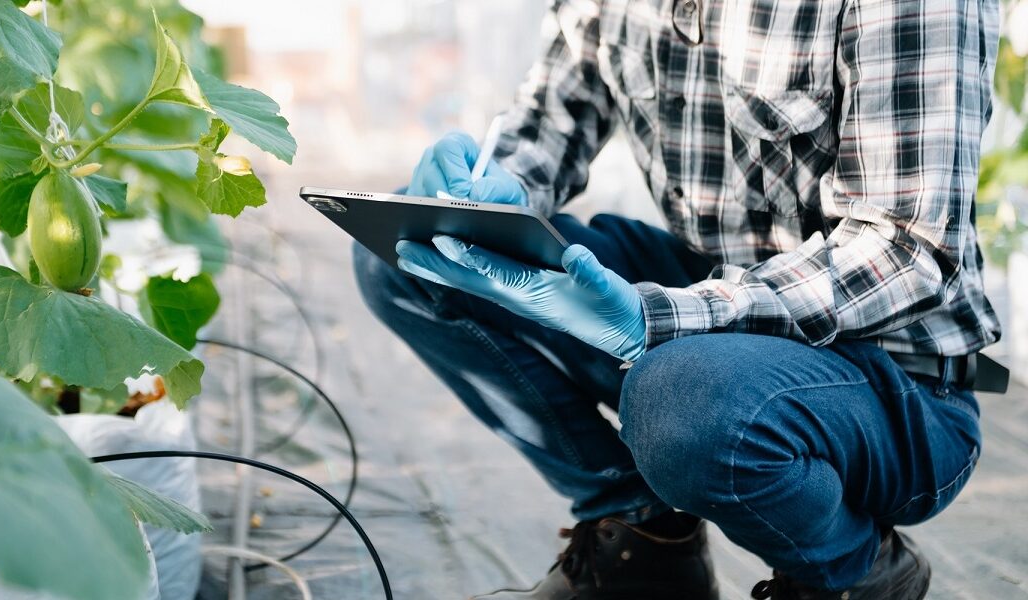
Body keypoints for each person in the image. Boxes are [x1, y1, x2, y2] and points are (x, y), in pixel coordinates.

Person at [352, 0, 1004, 598]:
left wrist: (654, 319)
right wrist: (485, 190)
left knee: (680, 403)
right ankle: (646, 542)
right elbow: (552, 121)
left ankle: (852, 573)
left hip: (896, 383)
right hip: (722, 294)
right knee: (414, 257)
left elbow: (903, 248)